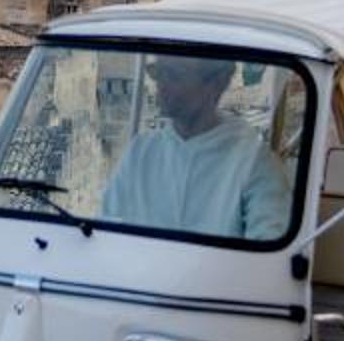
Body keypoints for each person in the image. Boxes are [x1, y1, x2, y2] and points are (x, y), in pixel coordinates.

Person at [100, 53, 294, 239]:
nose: (161, 84)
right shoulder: (140, 152)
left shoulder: (254, 163)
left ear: (218, 83)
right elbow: (107, 227)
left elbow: (268, 241)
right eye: (157, 72)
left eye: (174, 74)